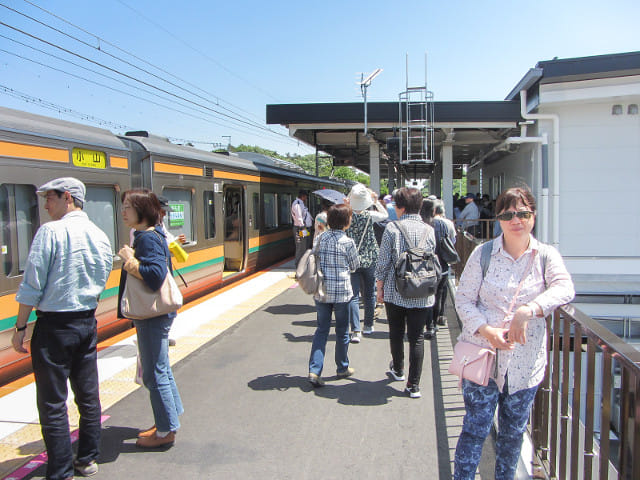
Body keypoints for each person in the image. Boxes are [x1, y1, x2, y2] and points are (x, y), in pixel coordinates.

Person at [453, 187, 575, 480]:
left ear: (533, 216)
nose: (515, 220)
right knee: (474, 429)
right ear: (499, 218)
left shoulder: (545, 256)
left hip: (524, 364)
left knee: (512, 435)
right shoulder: (483, 254)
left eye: (523, 213)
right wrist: (485, 329)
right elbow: (464, 298)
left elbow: (565, 288)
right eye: (508, 214)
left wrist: (528, 310)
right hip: (483, 357)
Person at [12, 177, 113, 479]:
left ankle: (60, 471)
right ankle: (88, 459)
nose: (45, 205)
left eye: (50, 198)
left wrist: (20, 327)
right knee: (88, 396)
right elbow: (103, 277)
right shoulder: (100, 235)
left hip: (54, 327)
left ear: (67, 197)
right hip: (86, 323)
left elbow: (32, 284)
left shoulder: (50, 232)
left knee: (53, 402)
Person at [118, 189, 184, 448]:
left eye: (127, 207)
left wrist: (129, 260)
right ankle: (169, 419)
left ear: (142, 210)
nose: (123, 212)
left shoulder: (145, 238)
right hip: (158, 313)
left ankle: (165, 431)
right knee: (161, 369)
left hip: (152, 314)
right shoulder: (154, 234)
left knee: (153, 374)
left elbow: (155, 275)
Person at [375, 187, 437, 399]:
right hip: (422, 291)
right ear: (419, 206)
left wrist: (379, 288)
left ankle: (399, 370)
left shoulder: (392, 228)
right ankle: (414, 386)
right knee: (417, 337)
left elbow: (383, 261)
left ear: (399, 207)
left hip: (396, 290)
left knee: (396, 331)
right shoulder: (430, 230)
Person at [308, 204, 359, 386]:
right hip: (342, 294)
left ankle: (315, 371)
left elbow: (314, 259)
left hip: (322, 291)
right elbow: (354, 266)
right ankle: (342, 367)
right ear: (346, 222)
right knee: (342, 331)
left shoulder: (320, 239)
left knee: (321, 330)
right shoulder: (348, 242)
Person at [345, 184, 388, 342]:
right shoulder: (370, 215)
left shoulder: (347, 215)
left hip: (352, 259)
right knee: (369, 294)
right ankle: (368, 326)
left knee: (353, 296)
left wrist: (346, 204)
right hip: (370, 258)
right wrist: (376, 202)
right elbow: (384, 215)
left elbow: (332, 219)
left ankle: (355, 330)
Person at [432, 200, 457, 327]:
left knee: (432, 292)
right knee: (442, 289)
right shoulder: (448, 223)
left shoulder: (427, 222)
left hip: (431, 262)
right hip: (444, 260)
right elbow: (453, 240)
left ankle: (431, 320)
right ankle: (441, 315)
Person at [291, 190, 313, 268]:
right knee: (301, 247)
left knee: (305, 245)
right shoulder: (297, 204)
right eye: (306, 196)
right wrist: (303, 228)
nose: (306, 198)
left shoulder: (301, 203)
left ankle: (303, 265)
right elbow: (299, 217)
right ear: (303, 196)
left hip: (304, 228)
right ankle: (299, 266)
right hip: (301, 228)